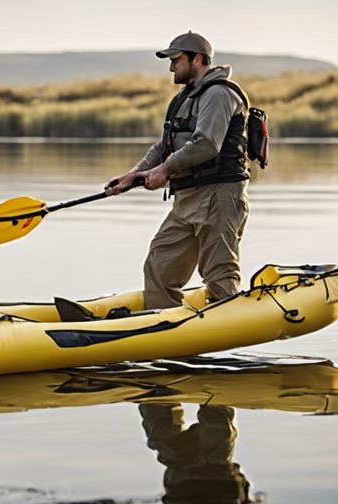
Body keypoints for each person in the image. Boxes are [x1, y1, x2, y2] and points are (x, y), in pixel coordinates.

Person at [106, 32, 252, 309]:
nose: (171, 66)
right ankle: (162, 328)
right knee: (159, 266)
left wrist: (164, 171)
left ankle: (229, 322)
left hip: (219, 195)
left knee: (219, 274)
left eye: (176, 59)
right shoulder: (184, 98)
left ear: (197, 59)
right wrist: (131, 175)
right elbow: (164, 146)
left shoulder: (220, 94)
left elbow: (207, 144)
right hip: (186, 199)